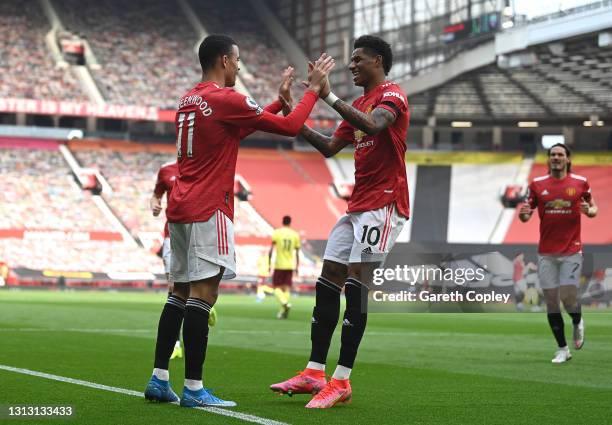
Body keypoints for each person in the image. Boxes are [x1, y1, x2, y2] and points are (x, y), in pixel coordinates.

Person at [144, 34, 335, 408]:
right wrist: (311, 92)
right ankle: (195, 389)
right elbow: (291, 127)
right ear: (223, 61)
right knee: (204, 295)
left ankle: (159, 378)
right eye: (237, 60)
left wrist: (278, 102)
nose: (240, 66)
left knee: (178, 293)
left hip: (180, 209)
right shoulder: (225, 98)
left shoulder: (189, 100)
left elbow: (239, 127)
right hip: (209, 207)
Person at [270, 35, 410, 408]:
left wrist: (328, 96)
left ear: (377, 61)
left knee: (355, 288)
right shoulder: (361, 104)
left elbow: (377, 126)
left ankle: (342, 381)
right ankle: (314, 372)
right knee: (328, 277)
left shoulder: (392, 95)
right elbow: (330, 146)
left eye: (358, 59)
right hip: (358, 205)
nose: (351, 65)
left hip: (385, 204)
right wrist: (290, 113)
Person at [519, 143, 598, 363]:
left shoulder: (580, 183)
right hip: (546, 252)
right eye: (552, 154)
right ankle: (562, 349)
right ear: (548, 159)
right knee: (552, 302)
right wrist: (524, 215)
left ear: (568, 159)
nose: (556, 157)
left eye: (560, 154)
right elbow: (526, 215)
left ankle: (577, 320)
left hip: (572, 249)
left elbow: (593, 208)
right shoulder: (536, 185)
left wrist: (588, 211)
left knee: (568, 297)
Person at [268, 215, 301, 319]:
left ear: (282, 222)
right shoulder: (295, 234)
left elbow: (271, 250)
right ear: (290, 222)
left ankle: (285, 303)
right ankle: (283, 311)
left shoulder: (277, 233)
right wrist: (297, 267)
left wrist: (269, 263)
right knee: (286, 288)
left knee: (276, 288)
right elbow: (297, 253)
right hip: (290, 265)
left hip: (279, 264)